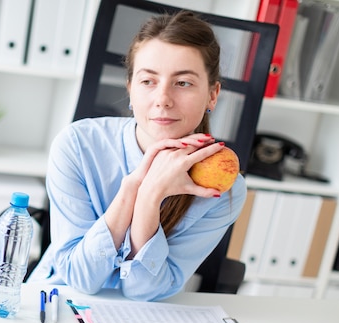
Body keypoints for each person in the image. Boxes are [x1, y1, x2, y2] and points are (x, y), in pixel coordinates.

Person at [28, 10, 246, 301]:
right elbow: (80, 278)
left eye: (183, 83)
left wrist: (149, 199)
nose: (163, 99)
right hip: (55, 303)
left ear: (212, 95)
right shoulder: (77, 146)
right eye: (148, 81)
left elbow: (143, 292)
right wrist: (133, 188)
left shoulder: (224, 188)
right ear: (130, 90)